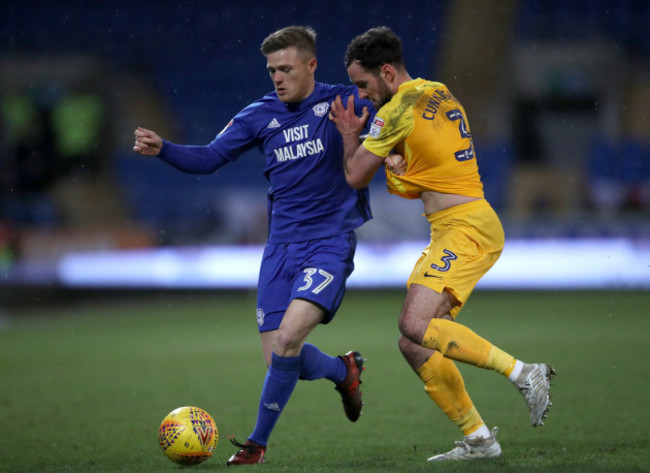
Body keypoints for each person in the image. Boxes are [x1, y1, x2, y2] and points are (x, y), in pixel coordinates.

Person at [133, 26, 376, 466]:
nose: (277, 78)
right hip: (279, 250)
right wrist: (163, 148)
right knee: (280, 359)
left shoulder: (344, 102)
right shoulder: (258, 114)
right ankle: (345, 370)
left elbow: (397, 117)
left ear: (311, 65)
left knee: (287, 340)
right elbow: (209, 158)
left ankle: (255, 444)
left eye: (285, 69)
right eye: (271, 71)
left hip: (328, 242)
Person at [329, 26, 555, 462]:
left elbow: (355, 175)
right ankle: (479, 439)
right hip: (464, 223)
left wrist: (347, 133)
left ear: (388, 72)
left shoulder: (395, 111)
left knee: (413, 325)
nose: (362, 95)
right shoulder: (437, 92)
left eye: (363, 84)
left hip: (465, 227)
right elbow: (435, 173)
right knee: (414, 343)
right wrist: (398, 164)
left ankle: (525, 373)